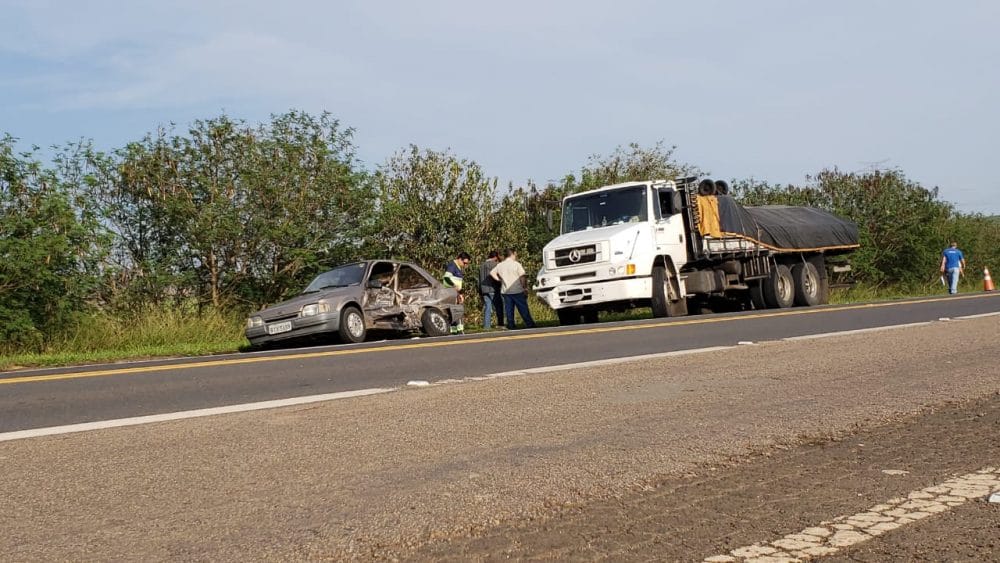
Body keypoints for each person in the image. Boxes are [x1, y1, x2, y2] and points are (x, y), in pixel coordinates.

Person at [491, 248, 536, 330]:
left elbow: (492, 273)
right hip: (517, 290)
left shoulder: (500, 265)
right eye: (515, 254)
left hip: (506, 291)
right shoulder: (516, 264)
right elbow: (522, 277)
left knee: (509, 310)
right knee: (523, 308)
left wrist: (499, 280)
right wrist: (525, 288)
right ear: (513, 254)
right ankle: (529, 323)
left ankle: (511, 325)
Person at [443, 252, 471, 333]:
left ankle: (456, 331)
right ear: (459, 259)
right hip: (453, 293)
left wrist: (461, 292)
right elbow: (446, 278)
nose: (465, 265)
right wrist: (454, 287)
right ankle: (457, 331)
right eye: (465, 263)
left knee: (457, 312)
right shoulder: (452, 266)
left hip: (457, 293)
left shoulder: (458, 266)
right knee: (457, 312)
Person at [478, 250, 505, 329]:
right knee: (499, 306)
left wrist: (480, 290)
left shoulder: (482, 265)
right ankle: (500, 324)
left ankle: (486, 326)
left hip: (484, 289)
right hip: (493, 288)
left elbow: (479, 279)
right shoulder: (496, 264)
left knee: (488, 307)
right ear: (495, 257)